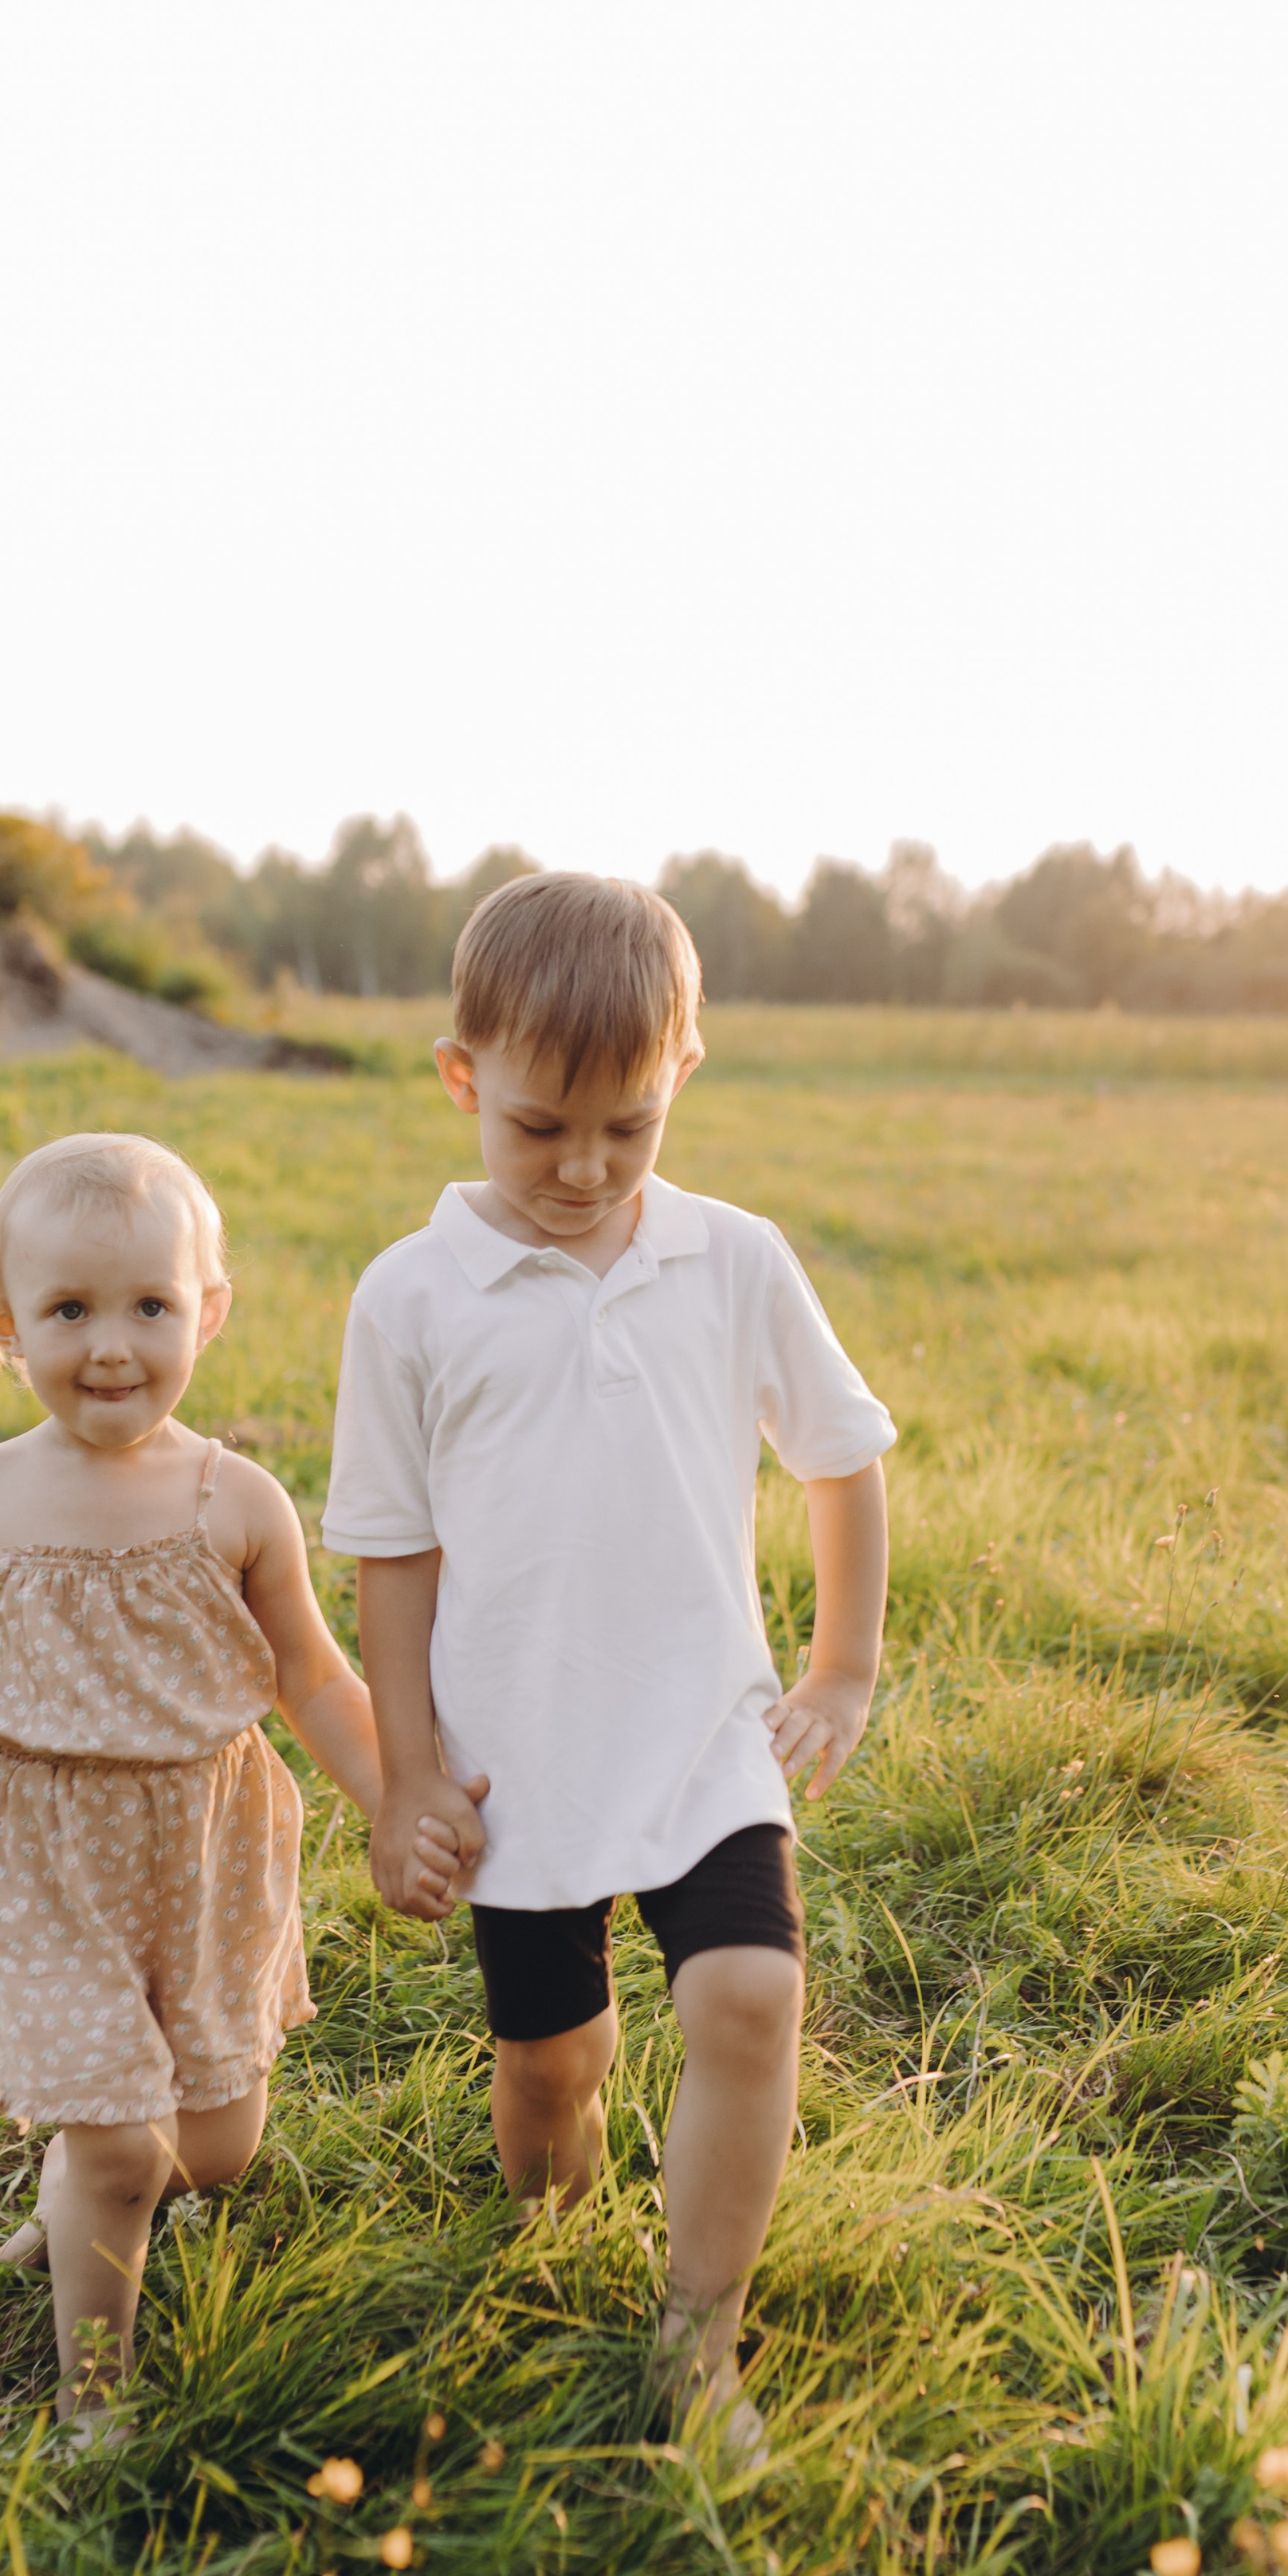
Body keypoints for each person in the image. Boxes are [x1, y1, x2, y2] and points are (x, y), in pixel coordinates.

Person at [323, 871, 894, 2456]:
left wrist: (839, 1666)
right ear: (460, 1080)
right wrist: (408, 1771)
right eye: (536, 1129)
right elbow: (390, 1550)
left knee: (749, 1996)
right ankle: (545, 2238)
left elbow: (839, 1458)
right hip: (517, 1758)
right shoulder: (411, 1297)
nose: (582, 1169)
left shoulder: (733, 1260)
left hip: (702, 1727)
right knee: (550, 2074)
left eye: (625, 1131)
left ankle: (695, 2337)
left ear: (682, 1077)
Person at [0, 1132, 383, 2439]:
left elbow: (312, 1675)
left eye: (151, 1305)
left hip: (211, 1843)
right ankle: (97, 2399)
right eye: (69, 1310)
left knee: (218, 2145)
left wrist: (397, 1798)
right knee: (129, 2146)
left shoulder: (236, 1499)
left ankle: (78, 2179)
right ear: (4, 1325)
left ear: (212, 1312)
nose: (113, 1344)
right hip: (47, 1850)